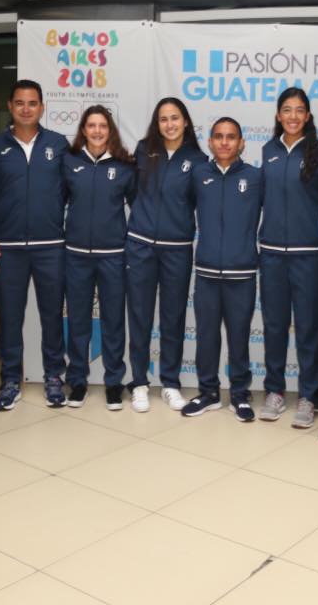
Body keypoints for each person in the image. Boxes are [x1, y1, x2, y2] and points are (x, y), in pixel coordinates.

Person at [0, 79, 69, 411]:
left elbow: (69, 191)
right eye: (20, 102)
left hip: (51, 246)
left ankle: (53, 377)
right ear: (10, 106)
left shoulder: (58, 144)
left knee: (52, 315)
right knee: (10, 317)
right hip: (9, 247)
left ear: (42, 107)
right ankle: (10, 379)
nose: (26, 109)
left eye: (32, 103)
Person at [126, 98, 207, 412]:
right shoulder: (144, 150)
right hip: (141, 245)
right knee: (140, 315)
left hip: (177, 249)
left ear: (185, 121)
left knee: (173, 317)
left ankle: (170, 383)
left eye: (175, 118)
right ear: (156, 124)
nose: (169, 124)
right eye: (163, 119)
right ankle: (139, 383)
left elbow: (197, 202)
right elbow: (133, 192)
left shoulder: (198, 160)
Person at [181, 118, 264, 421]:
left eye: (231, 137)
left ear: (241, 142)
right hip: (205, 272)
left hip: (242, 273)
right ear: (210, 142)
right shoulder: (199, 174)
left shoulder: (255, 177)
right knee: (206, 336)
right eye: (219, 136)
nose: (225, 142)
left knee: (239, 337)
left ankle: (240, 394)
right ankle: (208, 393)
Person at [259, 87, 318, 428]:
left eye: (299, 110)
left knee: (308, 328)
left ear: (308, 116)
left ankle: (308, 396)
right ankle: (274, 390)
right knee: (274, 326)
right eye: (287, 110)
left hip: (308, 255)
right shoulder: (268, 151)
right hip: (272, 254)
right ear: (278, 115)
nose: (293, 116)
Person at [62, 106, 136, 409]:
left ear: (110, 130)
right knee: (77, 320)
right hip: (76, 255)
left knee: (113, 321)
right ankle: (77, 381)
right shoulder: (69, 162)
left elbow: (138, 207)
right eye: (91, 125)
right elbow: (57, 202)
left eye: (102, 126)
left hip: (113, 256)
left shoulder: (125, 165)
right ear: (83, 130)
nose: (96, 131)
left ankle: (113, 382)